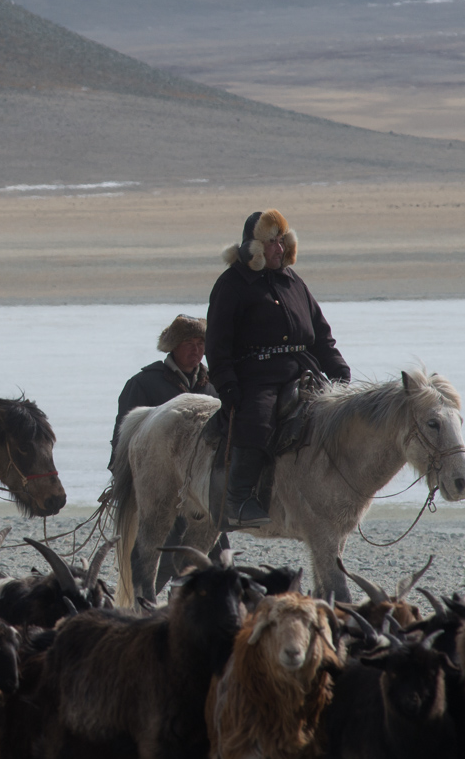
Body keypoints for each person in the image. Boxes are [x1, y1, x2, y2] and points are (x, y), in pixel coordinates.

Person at [207, 209, 351, 529]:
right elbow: (216, 345)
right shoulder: (232, 284)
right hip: (256, 376)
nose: (279, 249)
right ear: (254, 247)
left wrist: (339, 370)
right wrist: (227, 386)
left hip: (304, 370)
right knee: (257, 421)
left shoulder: (293, 281)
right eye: (271, 242)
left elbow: (320, 335)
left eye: (282, 241)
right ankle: (238, 499)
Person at [109, 314, 216, 469]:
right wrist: (120, 474)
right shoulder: (143, 384)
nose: (196, 349)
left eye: (200, 343)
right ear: (174, 346)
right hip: (156, 475)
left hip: (202, 476)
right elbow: (123, 437)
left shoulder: (214, 385)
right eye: (189, 343)